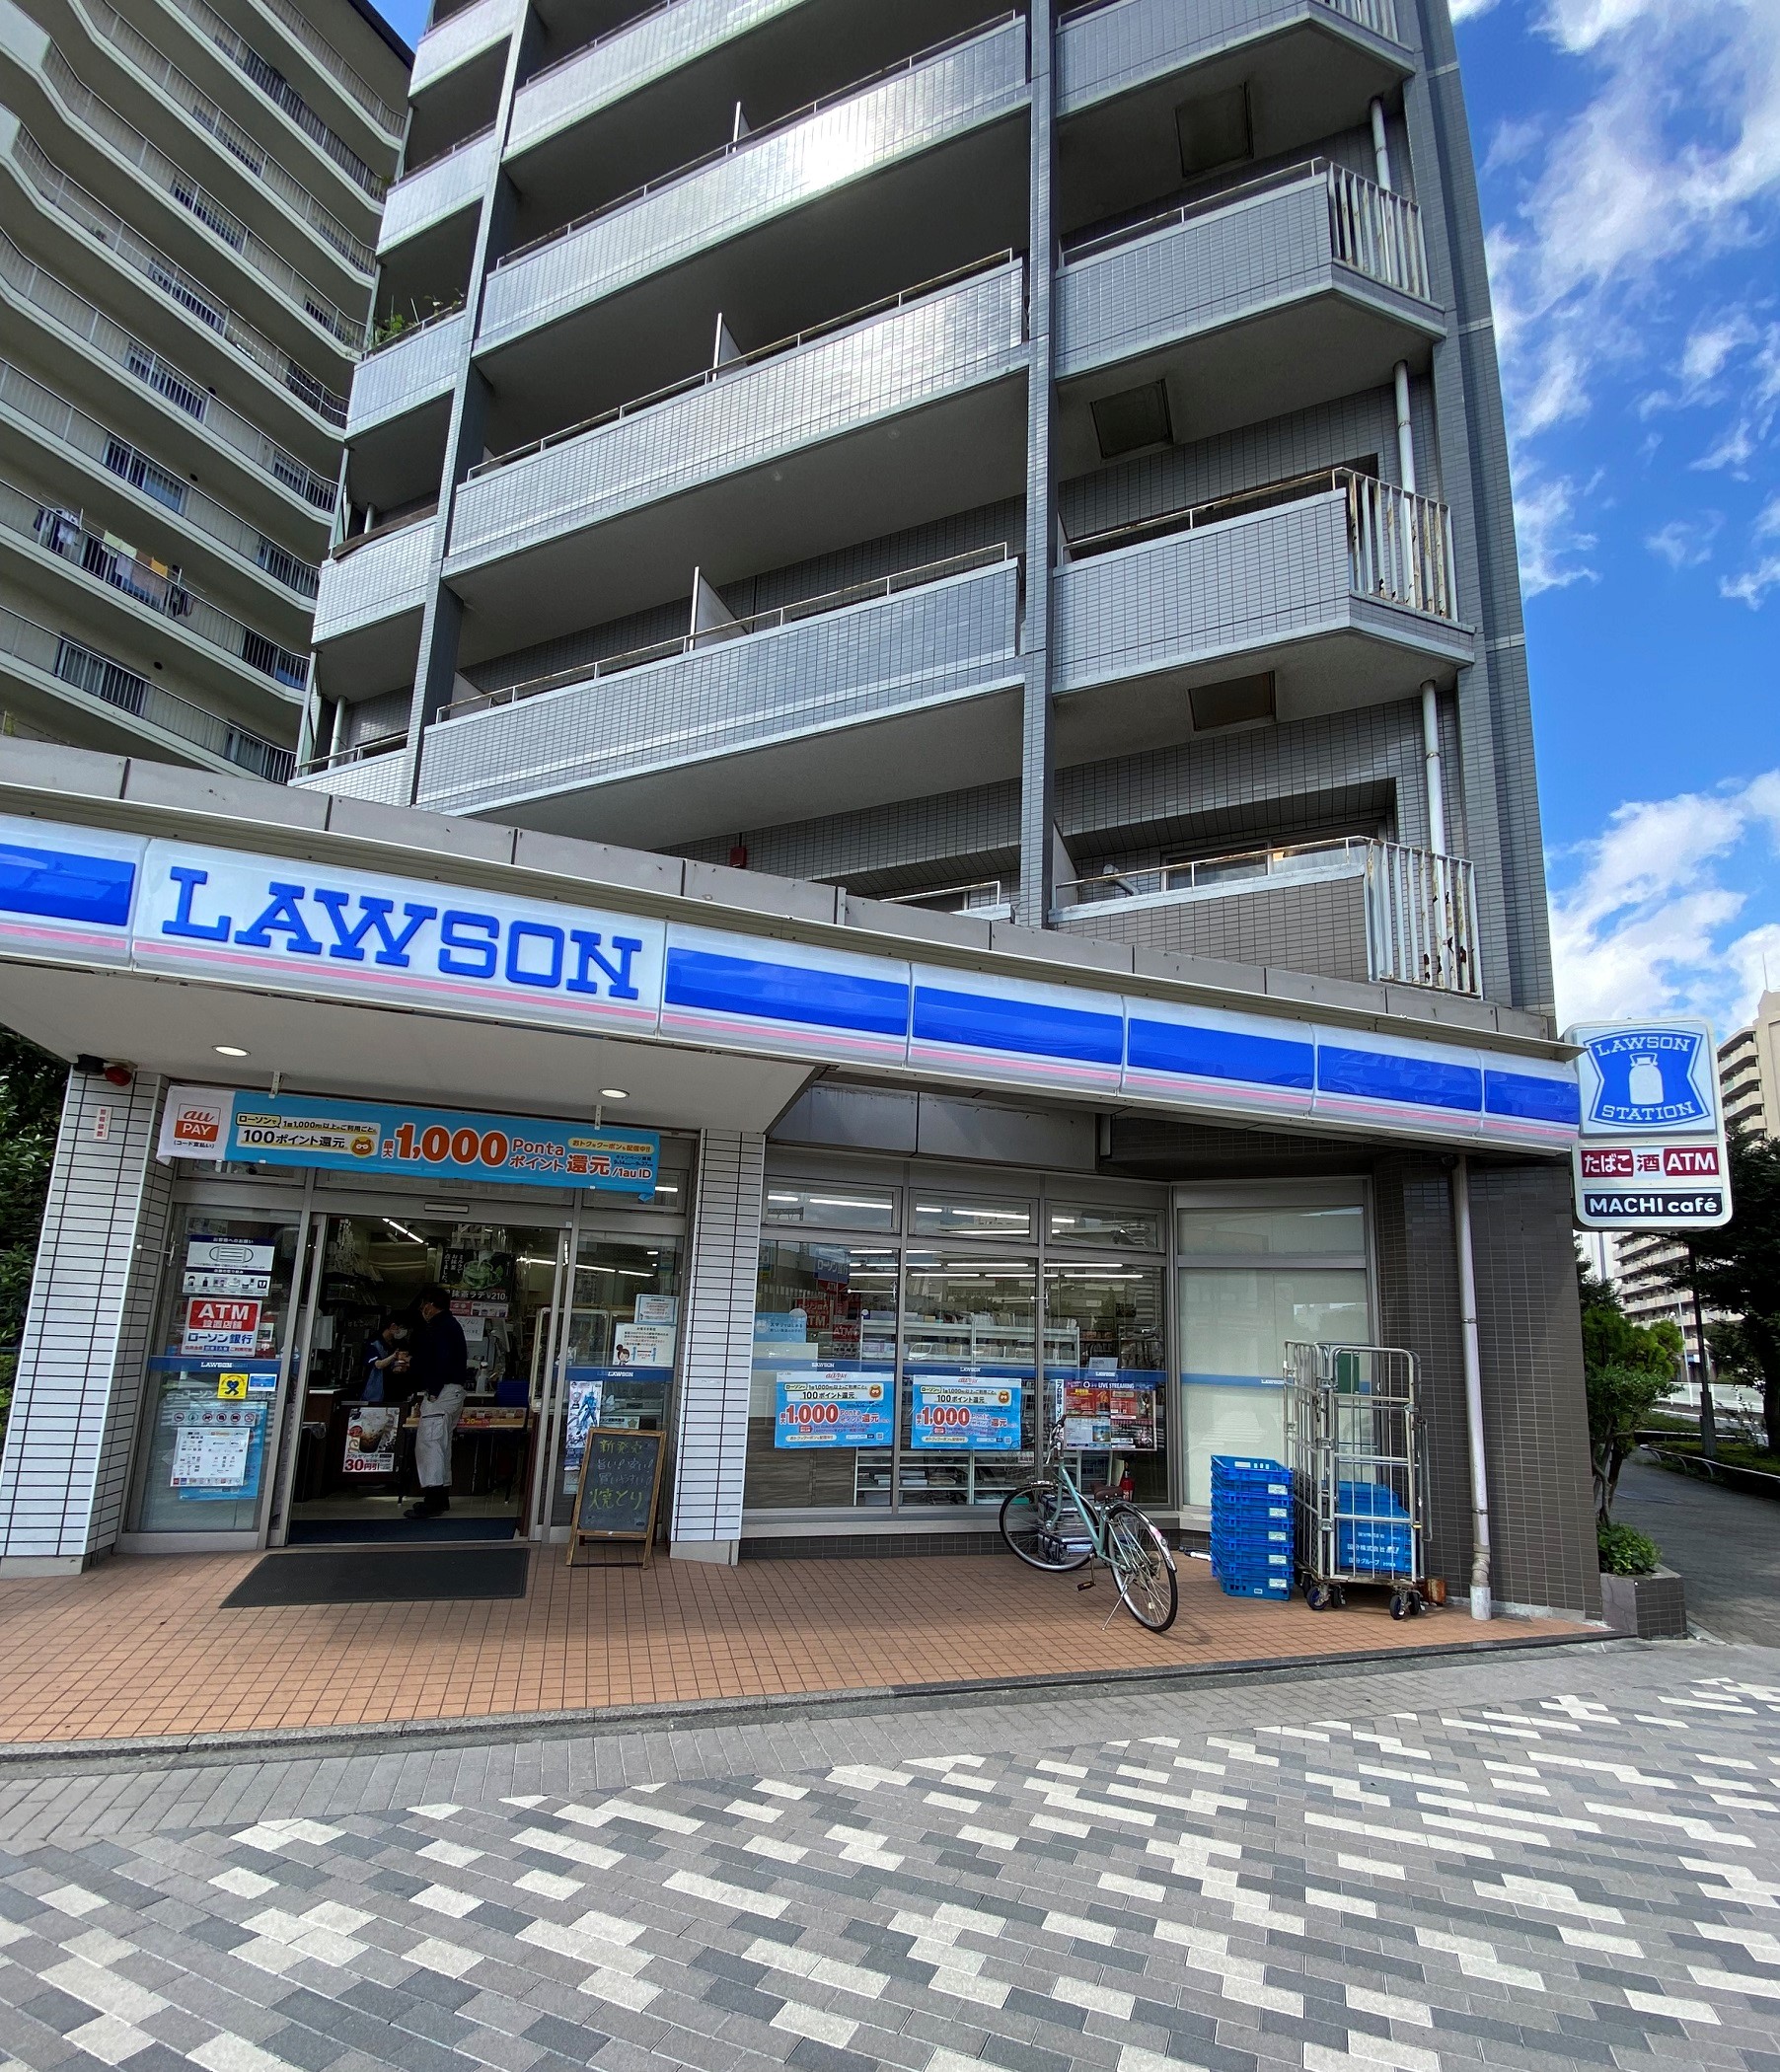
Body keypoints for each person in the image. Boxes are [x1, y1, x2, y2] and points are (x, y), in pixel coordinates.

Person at [405, 1285, 468, 1518]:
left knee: (431, 1445)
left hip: (441, 1394)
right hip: (451, 1393)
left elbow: (439, 1361)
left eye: (424, 1305)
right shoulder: (452, 1325)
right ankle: (440, 1498)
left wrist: (432, 1389)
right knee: (441, 1446)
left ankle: (433, 1501)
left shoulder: (440, 1328)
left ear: (430, 1306)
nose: (422, 1310)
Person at [362, 1316, 409, 1404]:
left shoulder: (397, 1343)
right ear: (393, 1326)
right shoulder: (374, 1343)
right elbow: (379, 1364)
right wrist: (393, 1356)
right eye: (402, 1328)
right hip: (375, 1391)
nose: (403, 1332)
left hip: (393, 1391)